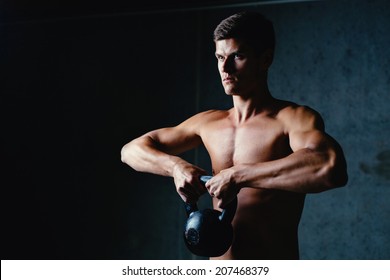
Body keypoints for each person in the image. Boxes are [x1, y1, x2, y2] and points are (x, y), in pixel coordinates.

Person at [121, 11, 348, 260]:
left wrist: (238, 175)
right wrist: (175, 166)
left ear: (265, 59)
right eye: (219, 57)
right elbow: (131, 151)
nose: (225, 68)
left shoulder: (292, 119)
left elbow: (329, 167)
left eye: (237, 56)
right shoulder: (209, 122)